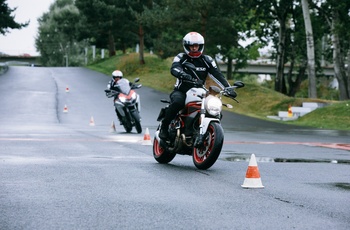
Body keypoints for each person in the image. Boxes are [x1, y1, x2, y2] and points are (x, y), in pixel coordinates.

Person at [159, 31, 235, 140]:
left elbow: (217, 75)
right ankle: (164, 127)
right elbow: (174, 68)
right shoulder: (181, 57)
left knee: (214, 109)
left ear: (200, 46)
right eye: (191, 46)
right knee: (177, 102)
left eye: (196, 46)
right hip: (182, 91)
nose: (194, 48)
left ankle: (204, 131)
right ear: (186, 46)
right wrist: (183, 74)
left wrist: (228, 88)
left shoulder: (207, 60)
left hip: (200, 91)